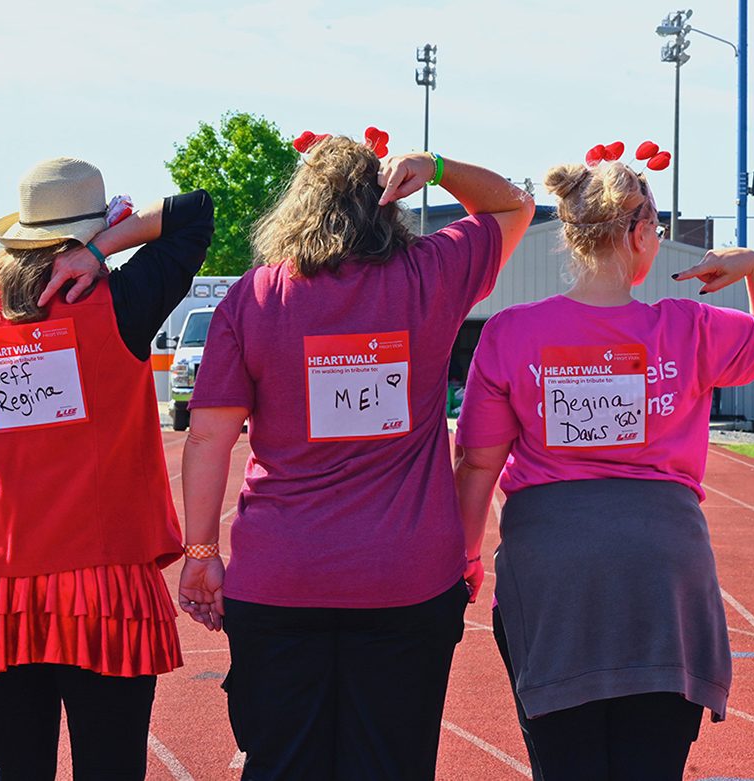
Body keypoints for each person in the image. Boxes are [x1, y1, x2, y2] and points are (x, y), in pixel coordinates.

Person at [177, 131, 536, 780]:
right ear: (385, 200)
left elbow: (208, 438)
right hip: (406, 579)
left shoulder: (255, 296)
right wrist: (436, 166)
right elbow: (514, 206)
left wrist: (200, 552)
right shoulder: (430, 273)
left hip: (281, 578)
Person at [453, 149, 754, 781]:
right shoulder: (689, 327)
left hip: (552, 577)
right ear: (640, 234)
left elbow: (477, 462)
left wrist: (465, 558)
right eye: (658, 229)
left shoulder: (510, 332)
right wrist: (752, 264)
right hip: (662, 579)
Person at [0, 156, 213, 780]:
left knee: (13, 769)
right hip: (105, 582)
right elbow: (193, 214)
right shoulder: (125, 300)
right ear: (93, 228)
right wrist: (103, 249)